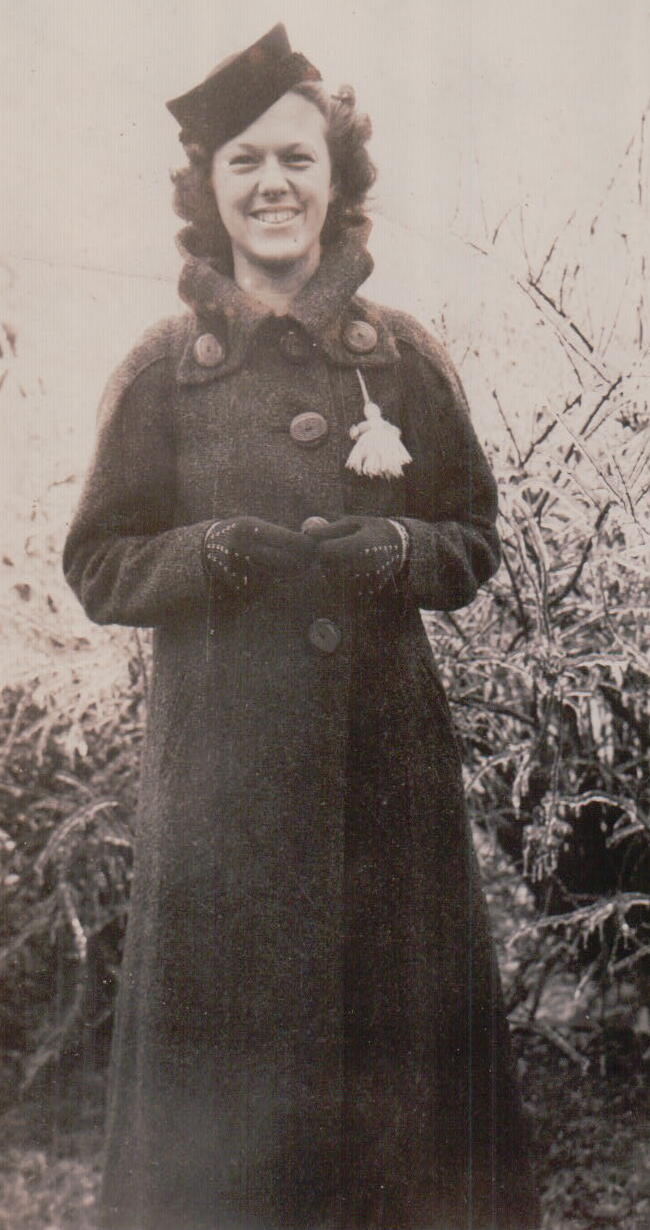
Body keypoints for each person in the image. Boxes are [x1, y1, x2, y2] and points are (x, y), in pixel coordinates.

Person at [63, 23, 540, 1230]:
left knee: (403, 1133)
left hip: (388, 793)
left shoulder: (402, 358)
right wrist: (209, 555)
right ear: (208, 187)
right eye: (243, 161)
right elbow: (99, 563)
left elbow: (471, 537)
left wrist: (396, 551)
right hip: (218, 805)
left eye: (296, 157)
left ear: (337, 177)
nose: (271, 184)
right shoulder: (165, 370)